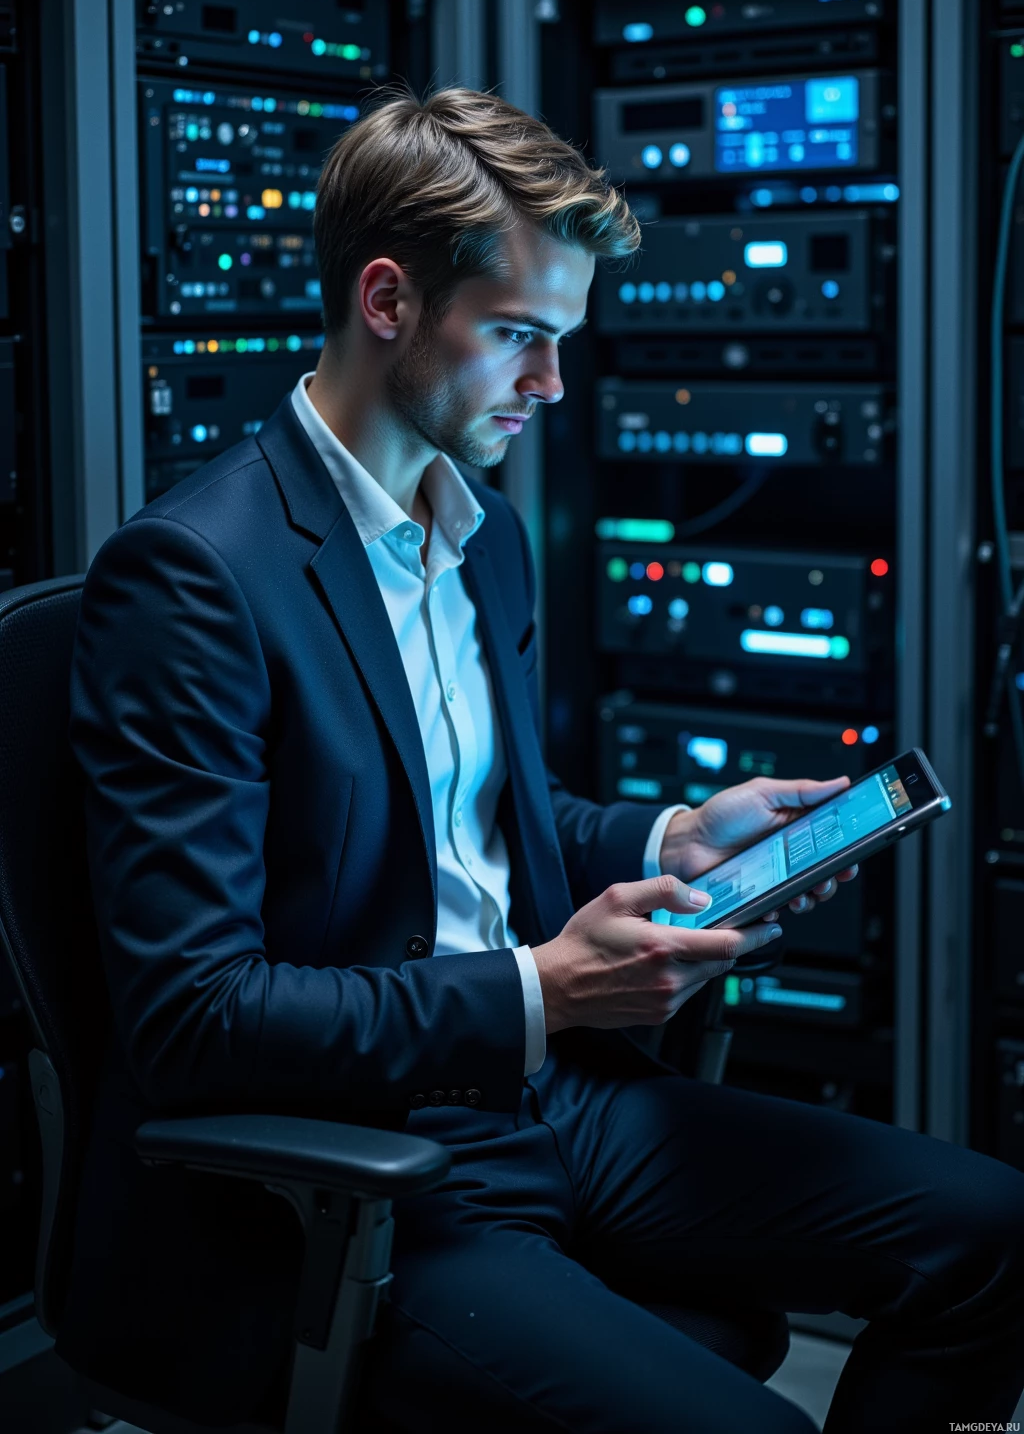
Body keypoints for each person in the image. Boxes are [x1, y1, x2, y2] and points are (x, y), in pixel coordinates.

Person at [61, 87, 1024, 1433]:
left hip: (548, 1100)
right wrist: (544, 990)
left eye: (561, 340)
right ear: (386, 301)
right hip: (360, 1175)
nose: (551, 386)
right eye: (518, 335)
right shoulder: (194, 579)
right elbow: (197, 1018)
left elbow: (467, 829)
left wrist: (667, 840)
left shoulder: (483, 535)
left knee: (992, 1230)